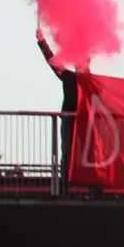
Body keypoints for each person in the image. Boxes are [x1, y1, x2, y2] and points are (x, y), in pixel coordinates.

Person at [36, 27, 85, 191]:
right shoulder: (69, 77)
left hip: (83, 123)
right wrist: (42, 42)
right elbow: (53, 61)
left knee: (80, 153)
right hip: (71, 122)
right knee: (67, 153)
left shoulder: (92, 84)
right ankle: (66, 184)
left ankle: (79, 183)